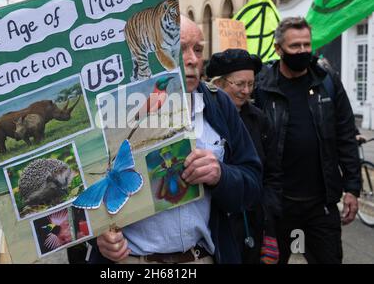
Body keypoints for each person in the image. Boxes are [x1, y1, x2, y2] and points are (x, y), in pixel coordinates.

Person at [90, 16, 263, 264]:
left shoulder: (218, 104)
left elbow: (252, 183)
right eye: (180, 49)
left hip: (201, 258)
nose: (192, 59)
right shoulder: (113, 110)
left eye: (198, 49)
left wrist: (221, 175)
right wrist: (100, 236)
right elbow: (83, 194)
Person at [254, 17, 361, 264]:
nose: (302, 51)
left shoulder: (327, 82)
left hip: (320, 206)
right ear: (278, 49)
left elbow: (345, 135)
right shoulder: (261, 86)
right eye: (295, 46)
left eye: (306, 45)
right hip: (278, 205)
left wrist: (352, 189)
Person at [206, 48, 282, 264]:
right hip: (218, 226)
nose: (246, 91)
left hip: (253, 224)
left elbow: (272, 174)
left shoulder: (259, 120)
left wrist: (269, 225)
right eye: (240, 84)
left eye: (251, 84)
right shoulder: (204, 119)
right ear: (218, 84)